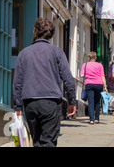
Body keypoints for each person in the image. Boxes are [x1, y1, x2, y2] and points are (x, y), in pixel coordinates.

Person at [13, 17, 76, 147]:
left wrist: (18, 106)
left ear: (35, 31)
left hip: (30, 102)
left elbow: (18, 82)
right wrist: (72, 101)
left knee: (36, 141)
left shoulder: (24, 53)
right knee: (49, 141)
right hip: (50, 101)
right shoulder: (57, 52)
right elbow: (68, 78)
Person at [80, 51, 108, 124]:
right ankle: (97, 119)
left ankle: (91, 120)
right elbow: (102, 76)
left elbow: (82, 75)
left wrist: (88, 74)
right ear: (96, 57)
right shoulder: (100, 65)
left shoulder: (85, 65)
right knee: (97, 102)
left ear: (89, 58)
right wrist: (105, 86)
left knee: (91, 102)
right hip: (99, 84)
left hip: (89, 84)